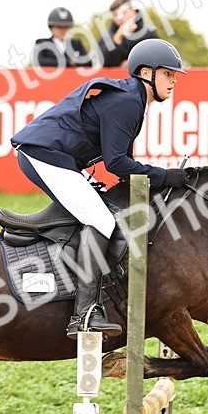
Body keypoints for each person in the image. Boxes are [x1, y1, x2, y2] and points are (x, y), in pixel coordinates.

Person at [11, 39, 189, 338]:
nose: (173, 81)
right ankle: (84, 315)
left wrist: (159, 178)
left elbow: (123, 161)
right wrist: (164, 176)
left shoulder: (133, 100)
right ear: (147, 72)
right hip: (43, 156)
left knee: (111, 214)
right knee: (102, 220)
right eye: (168, 73)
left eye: (174, 75)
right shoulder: (127, 101)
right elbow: (117, 163)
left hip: (55, 158)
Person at [98, 0, 159, 69]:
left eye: (123, 12)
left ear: (133, 12)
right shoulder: (107, 37)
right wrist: (117, 39)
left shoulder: (149, 34)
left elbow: (157, 59)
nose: (120, 17)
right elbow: (103, 63)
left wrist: (133, 63)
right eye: (115, 14)